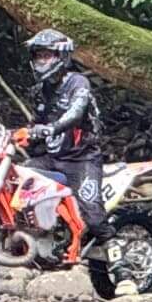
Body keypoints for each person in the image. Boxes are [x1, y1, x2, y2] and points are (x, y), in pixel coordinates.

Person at [23, 27, 106, 254]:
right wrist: (21, 135)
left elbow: (75, 113)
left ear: (61, 56)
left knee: (94, 214)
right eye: (38, 55)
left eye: (47, 55)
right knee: (19, 179)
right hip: (52, 158)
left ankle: (119, 264)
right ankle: (39, 235)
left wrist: (50, 129)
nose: (42, 61)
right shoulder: (41, 90)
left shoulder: (78, 83)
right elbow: (34, 121)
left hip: (82, 159)